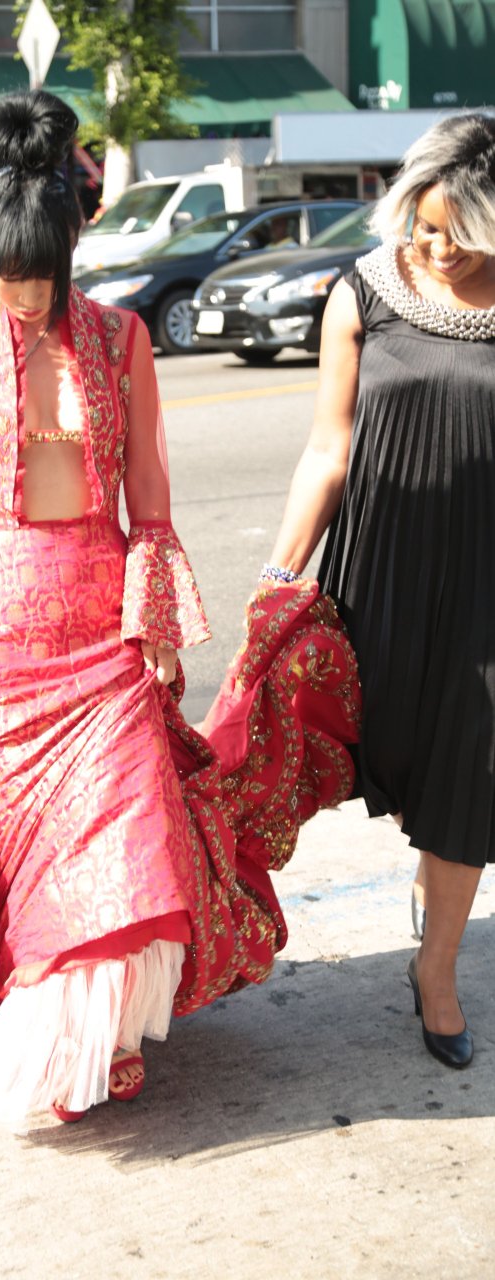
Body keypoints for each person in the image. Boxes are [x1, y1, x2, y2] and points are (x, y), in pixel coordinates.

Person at [0, 90, 358, 1130]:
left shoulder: (122, 337)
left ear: (68, 254)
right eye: (5, 272)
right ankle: (69, 1047)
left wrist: (156, 628)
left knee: (128, 833)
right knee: (35, 856)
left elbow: (150, 505)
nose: (22, 294)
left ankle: (97, 1038)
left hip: (102, 625)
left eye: (39, 273)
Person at [265, 112, 495, 1070]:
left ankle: (435, 972)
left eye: (456, 232)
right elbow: (328, 448)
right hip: (383, 570)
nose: (433, 247)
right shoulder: (364, 289)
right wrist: (280, 573)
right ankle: (429, 869)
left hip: (485, 585)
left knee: (471, 775)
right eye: (422, 225)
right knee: (394, 752)